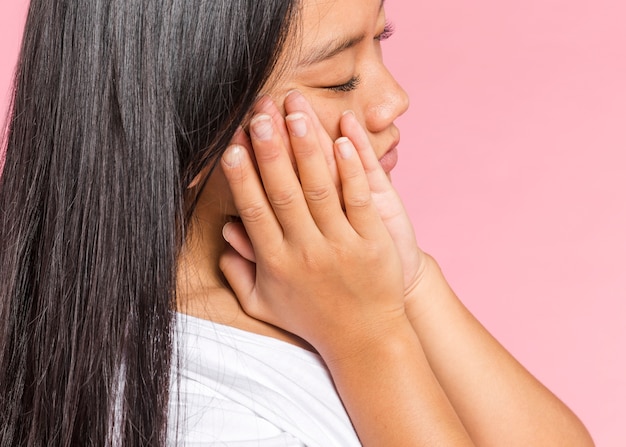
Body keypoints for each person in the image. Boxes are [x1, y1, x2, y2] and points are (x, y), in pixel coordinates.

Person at [0, 0, 594, 445]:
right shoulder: (209, 419)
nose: (394, 98)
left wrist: (411, 284)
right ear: (182, 120)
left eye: (380, 37)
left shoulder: (343, 287)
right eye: (338, 78)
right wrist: (368, 341)